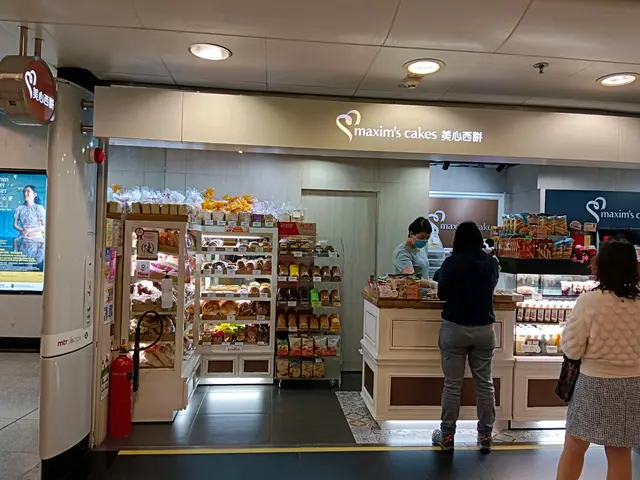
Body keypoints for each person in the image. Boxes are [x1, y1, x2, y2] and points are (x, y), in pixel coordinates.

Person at [556, 239, 640, 480]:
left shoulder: (589, 301)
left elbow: (572, 349)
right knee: (620, 453)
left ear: (599, 266)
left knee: (574, 446)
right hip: (633, 384)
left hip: (593, 383)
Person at [431, 221, 499, 452]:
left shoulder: (451, 263)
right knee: (485, 384)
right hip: (484, 329)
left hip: (455, 328)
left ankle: (447, 436)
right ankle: (486, 435)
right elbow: (491, 288)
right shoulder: (491, 262)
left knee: (452, 385)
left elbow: (442, 293)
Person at [392, 216, 436, 288]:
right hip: (410, 292)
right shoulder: (402, 252)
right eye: (421, 237)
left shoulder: (420, 248)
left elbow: (423, 272)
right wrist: (431, 284)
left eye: (427, 238)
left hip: (423, 291)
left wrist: (429, 282)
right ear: (411, 234)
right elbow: (411, 278)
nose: (424, 240)